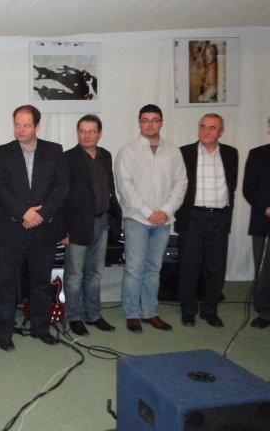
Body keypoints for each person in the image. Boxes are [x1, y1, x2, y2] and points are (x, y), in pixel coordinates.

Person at [0, 104, 69, 350]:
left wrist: (41, 214)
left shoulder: (54, 151)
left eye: (26, 125)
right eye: (17, 124)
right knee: (5, 282)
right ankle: (3, 331)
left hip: (44, 228)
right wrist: (24, 212)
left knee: (41, 281)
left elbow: (61, 187)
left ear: (37, 126)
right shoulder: (1, 152)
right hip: (10, 228)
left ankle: (40, 327)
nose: (20, 129)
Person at [114, 104, 187, 333]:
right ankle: (132, 313)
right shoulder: (128, 151)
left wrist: (165, 211)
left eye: (154, 120)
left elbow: (181, 183)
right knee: (134, 268)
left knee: (154, 268)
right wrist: (148, 212)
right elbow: (125, 186)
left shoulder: (173, 151)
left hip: (163, 221)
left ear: (161, 122)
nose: (150, 124)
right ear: (139, 122)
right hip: (137, 219)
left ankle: (150, 312)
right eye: (145, 120)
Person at [174, 113, 238, 327]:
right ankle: (188, 310)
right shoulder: (185, 152)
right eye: (203, 126)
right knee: (188, 266)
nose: (206, 131)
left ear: (221, 131)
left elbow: (231, 185)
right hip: (193, 216)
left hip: (219, 217)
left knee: (215, 266)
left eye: (212, 127)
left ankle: (210, 310)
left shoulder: (231, 153)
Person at [62, 114, 121, 336]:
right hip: (77, 225)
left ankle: (93, 314)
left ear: (99, 133)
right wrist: (63, 229)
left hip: (102, 221)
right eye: (82, 131)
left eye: (91, 131)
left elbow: (109, 187)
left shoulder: (105, 156)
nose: (86, 135)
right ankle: (75, 316)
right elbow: (61, 197)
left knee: (95, 272)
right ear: (77, 133)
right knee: (75, 274)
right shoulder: (68, 158)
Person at [242, 143, 270, 328]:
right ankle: (265, 311)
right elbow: (249, 188)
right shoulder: (258, 154)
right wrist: (266, 208)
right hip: (264, 219)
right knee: (264, 270)